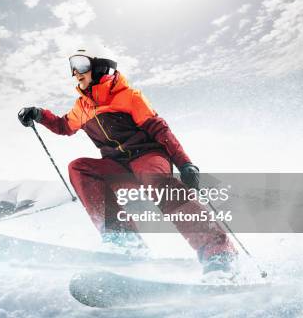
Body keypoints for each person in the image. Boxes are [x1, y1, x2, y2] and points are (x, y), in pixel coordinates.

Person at [18, 47, 237, 274]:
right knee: (79, 167)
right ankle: (125, 243)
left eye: (81, 64)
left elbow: (161, 130)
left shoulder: (128, 96)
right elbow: (64, 127)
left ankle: (218, 253)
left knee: (155, 181)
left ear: (100, 65)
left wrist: (184, 163)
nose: (75, 72)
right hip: (117, 164)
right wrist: (39, 114)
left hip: (149, 156)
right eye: (71, 66)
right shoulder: (81, 107)